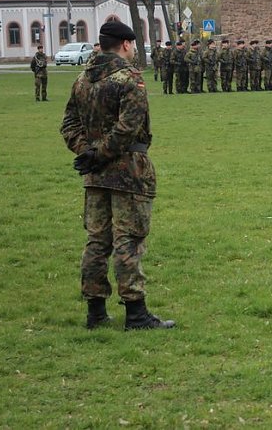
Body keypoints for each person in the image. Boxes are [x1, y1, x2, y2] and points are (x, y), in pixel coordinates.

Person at [60, 21, 175, 331]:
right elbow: (128, 127)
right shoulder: (129, 79)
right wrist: (99, 154)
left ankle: (95, 311)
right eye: (133, 44)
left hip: (95, 173)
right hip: (127, 170)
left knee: (97, 241)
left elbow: (68, 124)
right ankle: (136, 313)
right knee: (129, 240)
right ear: (125, 44)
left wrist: (87, 152)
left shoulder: (83, 79)